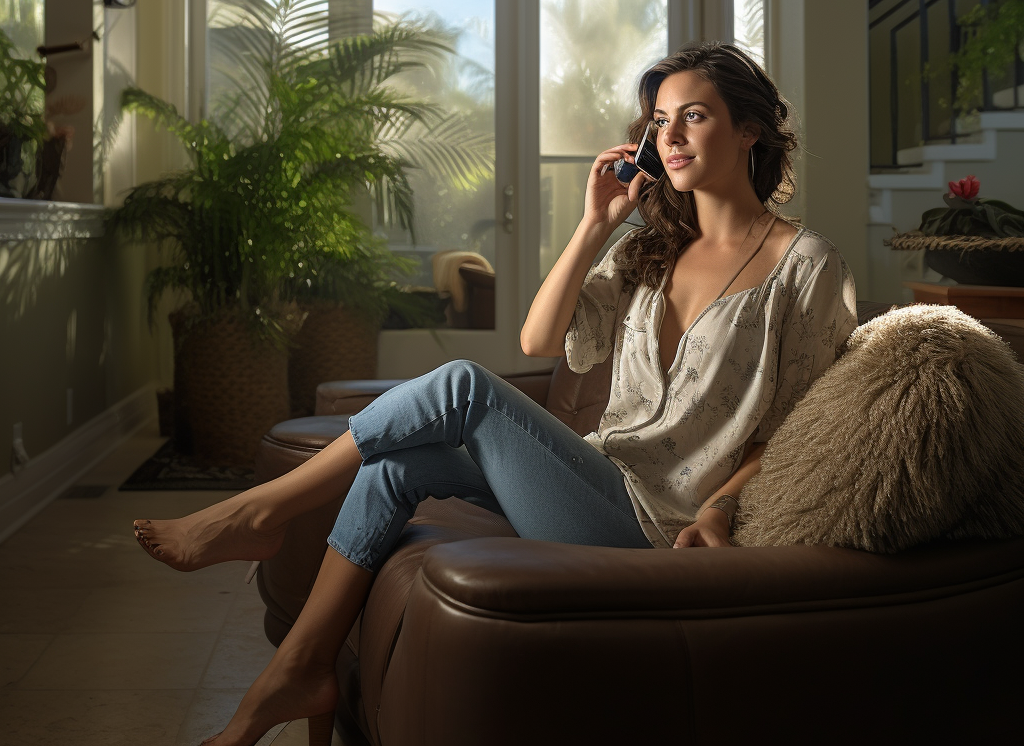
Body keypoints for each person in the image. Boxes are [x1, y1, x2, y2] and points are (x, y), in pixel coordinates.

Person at [133, 42, 858, 745]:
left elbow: (801, 423)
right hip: (603, 476)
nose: (670, 137)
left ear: (750, 129)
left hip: (661, 524)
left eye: (693, 116)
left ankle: (263, 509)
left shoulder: (807, 265)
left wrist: (721, 506)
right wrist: (592, 225)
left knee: (459, 387)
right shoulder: (651, 249)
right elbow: (539, 340)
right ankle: (298, 669)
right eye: (660, 121)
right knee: (395, 468)